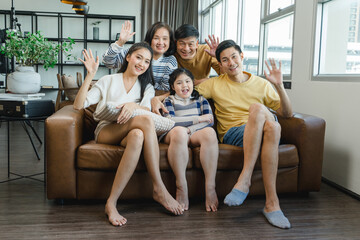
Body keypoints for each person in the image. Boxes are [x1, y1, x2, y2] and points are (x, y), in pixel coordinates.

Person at [73, 43, 184, 227]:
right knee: (145, 122)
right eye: (138, 57)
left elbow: (147, 110)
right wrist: (90, 75)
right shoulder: (108, 80)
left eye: (147, 61)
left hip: (130, 131)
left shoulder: (146, 87)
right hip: (107, 130)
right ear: (128, 57)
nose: (142, 63)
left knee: (138, 136)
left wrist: (133, 106)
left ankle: (111, 202)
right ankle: (159, 187)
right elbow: (78, 105)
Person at [196, 40, 293, 229]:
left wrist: (280, 86)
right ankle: (272, 205)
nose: (231, 62)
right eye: (225, 60)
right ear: (220, 65)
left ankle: (247, 182)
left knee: (266, 120)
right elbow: (183, 88)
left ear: (242, 57)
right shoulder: (214, 83)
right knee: (270, 124)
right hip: (234, 133)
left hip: (264, 129)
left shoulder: (262, 84)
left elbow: (287, 113)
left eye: (234, 57)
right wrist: (158, 98)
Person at [161, 68, 219, 212]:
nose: (184, 85)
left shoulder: (200, 99)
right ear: (173, 87)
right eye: (179, 83)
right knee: (180, 132)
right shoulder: (169, 100)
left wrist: (190, 129)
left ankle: (210, 188)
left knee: (210, 133)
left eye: (187, 81)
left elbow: (209, 120)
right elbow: (170, 121)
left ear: (192, 83)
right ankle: (181, 186)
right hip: (174, 133)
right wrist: (196, 119)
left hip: (193, 133)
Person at [152, 24, 221, 115]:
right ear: (176, 43)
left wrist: (219, 57)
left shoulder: (207, 51)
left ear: (196, 44)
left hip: (201, 92)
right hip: (178, 93)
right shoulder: (172, 56)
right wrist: (202, 80)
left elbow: (224, 74)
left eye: (190, 44)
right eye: (182, 43)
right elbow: (170, 85)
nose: (186, 48)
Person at [102, 21, 177, 93]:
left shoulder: (170, 61)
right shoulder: (137, 51)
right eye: (156, 38)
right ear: (150, 39)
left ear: (170, 41)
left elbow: (166, 90)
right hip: (125, 93)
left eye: (165, 39)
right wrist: (120, 42)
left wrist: (142, 84)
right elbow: (108, 63)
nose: (160, 42)